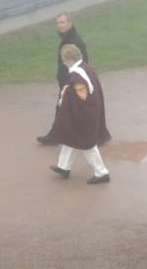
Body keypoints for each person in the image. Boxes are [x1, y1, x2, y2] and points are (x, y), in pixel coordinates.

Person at [49, 44, 111, 184]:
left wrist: (66, 91)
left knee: (87, 143)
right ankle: (63, 167)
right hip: (91, 111)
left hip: (84, 114)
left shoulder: (76, 74)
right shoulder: (85, 67)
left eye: (64, 60)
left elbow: (81, 96)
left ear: (69, 59)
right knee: (71, 137)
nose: (63, 63)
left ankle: (102, 173)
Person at [37, 13, 89, 146]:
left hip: (71, 83)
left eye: (63, 22)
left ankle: (56, 136)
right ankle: (60, 135)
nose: (60, 25)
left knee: (65, 109)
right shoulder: (66, 39)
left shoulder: (75, 41)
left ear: (70, 23)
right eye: (58, 23)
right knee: (69, 110)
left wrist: (70, 82)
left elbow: (83, 63)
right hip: (67, 82)